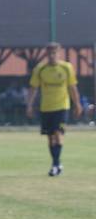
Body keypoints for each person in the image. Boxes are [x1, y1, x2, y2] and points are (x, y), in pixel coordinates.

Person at [26, 42, 83, 177]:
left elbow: (72, 87)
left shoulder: (66, 67)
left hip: (62, 106)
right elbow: (33, 88)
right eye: (49, 53)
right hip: (46, 107)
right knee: (50, 137)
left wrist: (77, 104)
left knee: (58, 134)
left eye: (54, 53)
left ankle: (55, 165)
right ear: (46, 54)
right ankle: (56, 162)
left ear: (59, 53)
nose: (52, 56)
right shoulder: (40, 69)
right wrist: (29, 105)